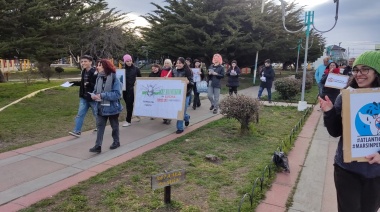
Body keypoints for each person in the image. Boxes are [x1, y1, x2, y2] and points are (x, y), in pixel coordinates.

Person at [319, 51, 380, 212]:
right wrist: (330, 112)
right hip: (347, 170)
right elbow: (335, 132)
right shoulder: (346, 97)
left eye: (365, 69)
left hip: (377, 173)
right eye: (356, 69)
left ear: (377, 71)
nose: (359, 74)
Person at [89, 59, 123, 153]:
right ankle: (98, 146)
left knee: (114, 126)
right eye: (97, 65)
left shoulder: (114, 78)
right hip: (100, 107)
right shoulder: (99, 78)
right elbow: (96, 90)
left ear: (105, 67)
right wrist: (94, 95)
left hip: (112, 108)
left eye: (100, 65)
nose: (97, 67)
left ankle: (116, 142)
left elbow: (117, 94)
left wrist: (102, 95)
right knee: (100, 126)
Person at [69, 55, 98, 137]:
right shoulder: (84, 71)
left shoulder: (95, 72)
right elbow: (83, 83)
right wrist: (72, 83)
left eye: (85, 61)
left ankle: (99, 127)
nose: (83, 63)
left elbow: (96, 85)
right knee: (80, 114)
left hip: (93, 98)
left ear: (90, 62)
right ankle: (77, 131)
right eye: (82, 62)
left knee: (96, 114)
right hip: (84, 97)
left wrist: (89, 84)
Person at [172, 57, 193, 134]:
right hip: (176, 94)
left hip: (185, 94)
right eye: (177, 63)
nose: (178, 64)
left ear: (183, 64)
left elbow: (192, 82)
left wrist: (188, 82)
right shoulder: (173, 70)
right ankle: (186, 117)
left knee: (181, 111)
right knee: (180, 111)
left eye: (180, 63)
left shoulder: (188, 71)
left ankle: (180, 128)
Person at [122, 54, 141, 127]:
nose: (129, 62)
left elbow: (140, 78)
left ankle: (128, 120)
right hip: (124, 90)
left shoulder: (136, 69)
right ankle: (137, 114)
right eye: (127, 61)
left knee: (129, 105)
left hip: (132, 89)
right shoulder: (123, 70)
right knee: (128, 104)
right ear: (124, 62)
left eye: (130, 60)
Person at [161, 59, 173, 124]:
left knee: (168, 103)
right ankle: (164, 117)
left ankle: (169, 117)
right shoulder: (162, 70)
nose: (166, 64)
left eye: (168, 63)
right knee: (164, 104)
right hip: (164, 88)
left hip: (170, 88)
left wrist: (168, 78)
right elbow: (161, 77)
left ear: (170, 64)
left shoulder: (172, 71)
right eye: (165, 63)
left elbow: (174, 78)